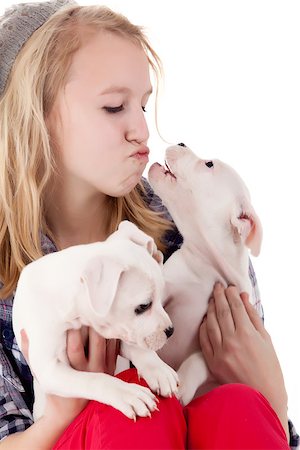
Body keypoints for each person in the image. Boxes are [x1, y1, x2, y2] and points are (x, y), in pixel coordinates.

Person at [0, 0, 298, 448]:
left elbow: (263, 417)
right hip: (81, 434)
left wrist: (271, 394)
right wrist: (67, 406)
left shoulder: (182, 223)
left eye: (142, 104)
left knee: (237, 406)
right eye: (114, 106)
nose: (142, 128)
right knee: (136, 419)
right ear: (34, 114)